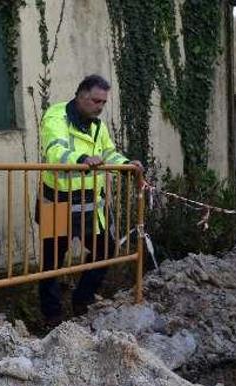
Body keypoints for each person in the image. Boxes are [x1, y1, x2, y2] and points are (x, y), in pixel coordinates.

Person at [37, 75, 142, 327]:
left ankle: (81, 301)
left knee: (105, 250)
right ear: (80, 95)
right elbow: (54, 149)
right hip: (58, 200)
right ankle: (52, 315)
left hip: (90, 202)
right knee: (52, 260)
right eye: (96, 101)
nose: (100, 106)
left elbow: (108, 153)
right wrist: (81, 157)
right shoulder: (56, 116)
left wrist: (126, 164)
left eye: (103, 102)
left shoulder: (97, 126)